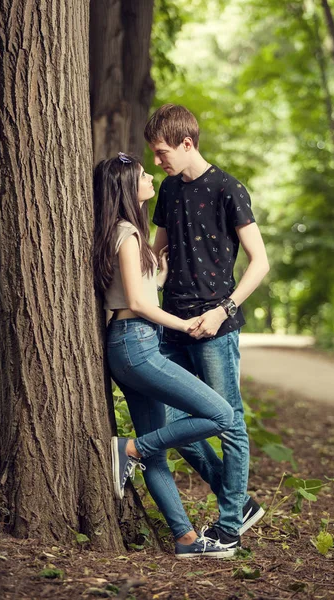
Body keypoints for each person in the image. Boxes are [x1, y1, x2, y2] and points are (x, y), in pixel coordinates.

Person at [93, 152, 239, 559]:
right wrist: (185, 324)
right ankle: (130, 450)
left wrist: (159, 271)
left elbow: (134, 289)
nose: (151, 178)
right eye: (143, 175)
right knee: (222, 415)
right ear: (127, 187)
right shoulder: (129, 233)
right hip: (136, 344)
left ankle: (185, 539)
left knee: (155, 446)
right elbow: (139, 304)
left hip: (128, 344)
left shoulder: (119, 232)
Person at [144, 104, 270, 551]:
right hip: (173, 325)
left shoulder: (228, 188)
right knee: (176, 421)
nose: (158, 161)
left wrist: (223, 308)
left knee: (229, 423)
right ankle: (238, 501)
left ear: (187, 142)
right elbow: (156, 256)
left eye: (162, 153)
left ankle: (230, 526)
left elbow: (260, 261)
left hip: (217, 326)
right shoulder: (168, 189)